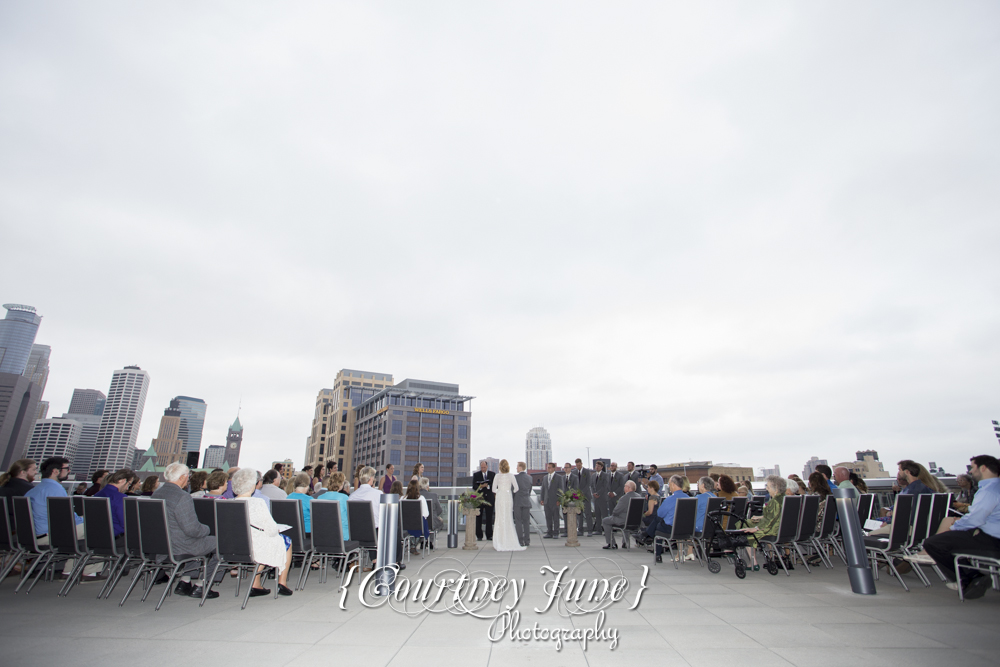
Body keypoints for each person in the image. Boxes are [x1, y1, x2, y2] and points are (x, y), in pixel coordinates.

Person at [923, 455, 1000, 599]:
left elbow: (976, 518)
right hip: (990, 534)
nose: (971, 471)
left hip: (993, 540)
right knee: (949, 540)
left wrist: (954, 528)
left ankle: (969, 578)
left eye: (973, 467)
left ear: (983, 468)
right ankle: (970, 577)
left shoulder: (988, 491)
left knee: (934, 543)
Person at [25, 457, 105, 581]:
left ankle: (69, 571)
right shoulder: (55, 489)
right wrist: (86, 521)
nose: (69, 471)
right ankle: (90, 573)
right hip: (49, 535)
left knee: (88, 524)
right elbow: (67, 518)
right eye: (67, 469)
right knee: (100, 527)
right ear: (56, 471)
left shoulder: (33, 490)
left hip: (32, 535)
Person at [152, 462, 223, 599]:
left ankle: (185, 582)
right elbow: (192, 530)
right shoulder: (182, 496)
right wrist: (207, 529)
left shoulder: (157, 493)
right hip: (180, 546)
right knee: (220, 543)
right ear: (183, 477)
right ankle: (201, 585)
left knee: (199, 543)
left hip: (161, 546)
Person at [231, 468, 294, 597]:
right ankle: (282, 582)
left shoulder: (228, 504)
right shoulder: (257, 503)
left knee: (267, 542)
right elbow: (271, 530)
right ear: (252, 485)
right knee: (286, 540)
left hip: (235, 547)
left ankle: (257, 584)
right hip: (256, 545)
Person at [741, 475, 787, 571]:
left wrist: (755, 528)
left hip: (772, 531)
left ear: (776, 488)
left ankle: (753, 562)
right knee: (746, 524)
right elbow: (776, 516)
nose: (766, 489)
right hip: (783, 530)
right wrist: (760, 518)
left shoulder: (774, 502)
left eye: (768, 487)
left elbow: (769, 521)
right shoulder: (784, 499)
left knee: (745, 534)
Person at [639, 475, 687, 562]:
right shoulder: (689, 498)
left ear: (673, 484)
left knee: (659, 527)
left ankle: (658, 555)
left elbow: (660, 513)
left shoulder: (669, 499)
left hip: (672, 529)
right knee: (659, 521)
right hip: (686, 529)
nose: (669, 486)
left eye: (669, 484)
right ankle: (645, 534)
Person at [490, 459, 524, 552]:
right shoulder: (511, 476)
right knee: (508, 518)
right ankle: (509, 540)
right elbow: (516, 488)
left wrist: (500, 491)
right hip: (508, 498)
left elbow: (493, 489)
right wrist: (509, 492)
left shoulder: (497, 476)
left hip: (500, 498)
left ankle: (499, 541)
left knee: (499, 518)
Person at [603, 481, 642, 549]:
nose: (624, 488)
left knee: (605, 521)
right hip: (635, 522)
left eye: (625, 486)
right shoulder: (639, 497)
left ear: (628, 488)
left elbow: (615, 511)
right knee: (627, 519)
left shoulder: (624, 498)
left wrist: (615, 515)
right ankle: (625, 542)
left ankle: (611, 543)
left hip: (623, 520)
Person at [94, 469, 131, 539]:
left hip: (98, 536)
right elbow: (125, 524)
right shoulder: (120, 498)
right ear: (123, 481)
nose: (127, 488)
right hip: (116, 538)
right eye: (128, 484)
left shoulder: (97, 494)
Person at [316, 472, 351, 540]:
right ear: (341, 484)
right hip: (342, 536)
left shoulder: (320, 497)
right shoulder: (344, 497)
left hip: (323, 536)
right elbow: (350, 516)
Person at [0, 458, 36, 525]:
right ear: (23, 472)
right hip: (19, 529)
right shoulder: (30, 490)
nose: (36, 472)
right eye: (34, 469)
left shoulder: (4, 485)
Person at [472, 460, 496, 541]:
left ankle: (489, 535)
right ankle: (479, 535)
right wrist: (481, 486)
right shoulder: (476, 475)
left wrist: (488, 486)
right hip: (480, 498)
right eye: (481, 467)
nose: (483, 469)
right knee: (479, 517)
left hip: (489, 498)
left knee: (489, 517)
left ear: (487, 467)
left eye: (484, 467)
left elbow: (495, 485)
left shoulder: (492, 474)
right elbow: (474, 486)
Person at [404, 479, 430, 552]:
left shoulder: (403, 499)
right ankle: (414, 544)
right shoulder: (421, 498)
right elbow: (426, 514)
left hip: (406, 526)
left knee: (412, 524)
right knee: (422, 522)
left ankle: (412, 544)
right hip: (419, 526)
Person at [570, 458, 594, 536]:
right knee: (579, 513)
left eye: (579, 465)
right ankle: (580, 530)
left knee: (588, 513)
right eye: (577, 465)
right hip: (577, 496)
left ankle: (590, 530)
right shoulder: (574, 472)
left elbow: (588, 483)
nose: (578, 467)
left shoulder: (587, 472)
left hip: (586, 495)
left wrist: (582, 492)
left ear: (582, 464)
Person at [540, 462, 563, 538]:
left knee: (556, 517)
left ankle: (556, 532)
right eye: (547, 467)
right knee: (548, 517)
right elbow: (543, 489)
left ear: (554, 468)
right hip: (547, 500)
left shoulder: (559, 477)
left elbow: (561, 489)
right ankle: (549, 532)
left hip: (555, 500)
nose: (548, 469)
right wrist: (542, 499)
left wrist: (559, 500)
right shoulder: (545, 477)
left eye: (550, 467)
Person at [512, 462, 532, 547]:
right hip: (526, 501)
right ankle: (527, 540)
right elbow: (529, 490)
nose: (516, 468)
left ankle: (520, 540)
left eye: (517, 467)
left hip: (517, 501)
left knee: (518, 521)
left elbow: (513, 490)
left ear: (520, 467)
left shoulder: (515, 477)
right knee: (526, 521)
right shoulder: (530, 478)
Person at [591, 461, 610, 536]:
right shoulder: (593, 475)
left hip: (602, 497)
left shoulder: (605, 475)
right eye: (596, 466)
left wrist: (598, 493)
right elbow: (591, 485)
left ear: (602, 467)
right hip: (595, 498)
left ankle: (606, 530)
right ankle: (598, 529)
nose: (597, 467)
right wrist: (594, 493)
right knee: (597, 514)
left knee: (604, 515)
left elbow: (605, 486)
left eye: (598, 466)